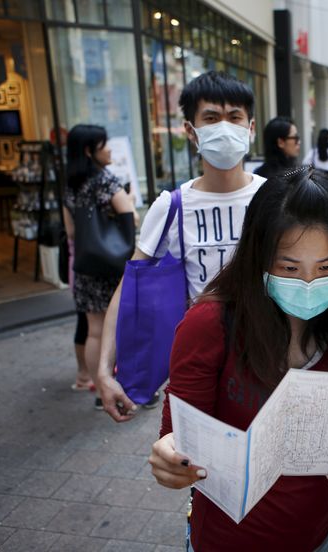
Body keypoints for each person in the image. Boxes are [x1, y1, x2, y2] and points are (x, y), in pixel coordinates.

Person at [148, 167, 328, 550]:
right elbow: (178, 436)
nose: (308, 284)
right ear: (258, 257)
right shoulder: (210, 324)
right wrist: (170, 460)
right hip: (226, 541)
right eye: (289, 268)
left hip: (320, 537)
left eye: (327, 268)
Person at [97, 71, 266, 421]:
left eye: (234, 117)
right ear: (191, 131)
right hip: (199, 361)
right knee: (195, 464)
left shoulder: (274, 198)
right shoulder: (172, 205)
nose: (224, 127)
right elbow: (130, 288)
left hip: (269, 355)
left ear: (250, 128)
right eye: (211, 118)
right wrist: (103, 369)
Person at [62, 124, 137, 408]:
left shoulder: (71, 185)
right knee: (121, 328)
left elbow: (70, 232)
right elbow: (130, 215)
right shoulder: (106, 181)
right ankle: (126, 388)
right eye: (104, 145)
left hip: (85, 266)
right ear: (89, 150)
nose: (109, 150)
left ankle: (99, 391)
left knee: (94, 330)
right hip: (112, 266)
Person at [254, 116, 299, 180]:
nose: (299, 142)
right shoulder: (272, 178)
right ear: (280, 142)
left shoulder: (259, 173)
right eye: (295, 138)